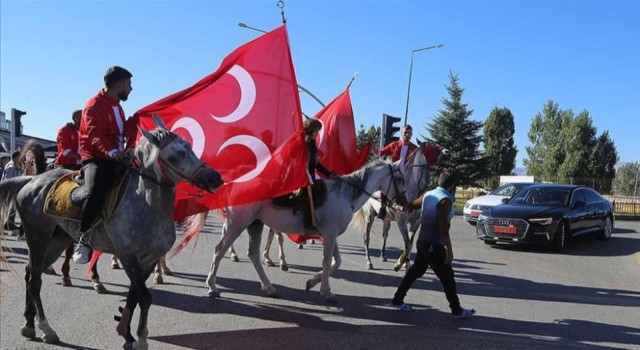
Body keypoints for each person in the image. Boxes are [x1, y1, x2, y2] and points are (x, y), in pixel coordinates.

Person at [390, 170, 475, 318]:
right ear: (452, 185)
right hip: (434, 245)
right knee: (447, 276)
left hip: (423, 242)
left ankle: (397, 299)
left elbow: (412, 205)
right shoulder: (445, 200)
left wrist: (401, 207)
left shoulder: (429, 194)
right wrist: (449, 248)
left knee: (416, 271)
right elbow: (442, 225)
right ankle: (456, 310)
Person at [72, 66, 134, 264]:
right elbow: (95, 136)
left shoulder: (118, 106)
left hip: (118, 156)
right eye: (129, 85)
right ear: (119, 85)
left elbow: (122, 133)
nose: (131, 89)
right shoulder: (93, 105)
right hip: (96, 158)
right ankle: (84, 238)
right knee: (96, 189)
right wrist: (112, 152)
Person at [376, 124, 418, 218]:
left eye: (409, 133)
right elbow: (381, 152)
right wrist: (374, 150)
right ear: (401, 133)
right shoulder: (394, 145)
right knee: (385, 185)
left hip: (407, 175)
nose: (407, 135)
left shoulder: (414, 148)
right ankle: (382, 208)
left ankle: (413, 208)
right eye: (405, 133)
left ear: (411, 135)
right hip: (394, 173)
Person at [302, 118, 337, 230]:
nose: (318, 132)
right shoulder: (302, 144)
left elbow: (316, 164)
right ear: (311, 130)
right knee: (313, 191)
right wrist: (305, 174)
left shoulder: (312, 144)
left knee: (324, 188)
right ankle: (308, 221)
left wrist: (328, 173)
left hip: (311, 175)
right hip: (302, 176)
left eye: (318, 130)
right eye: (316, 130)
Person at [2, 151, 24, 237]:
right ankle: (8, 225)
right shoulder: (11, 167)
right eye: (20, 157)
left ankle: (8, 225)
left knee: (11, 209)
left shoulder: (16, 166)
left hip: (12, 191)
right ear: (15, 158)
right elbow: (8, 181)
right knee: (8, 209)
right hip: (9, 191)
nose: (22, 159)